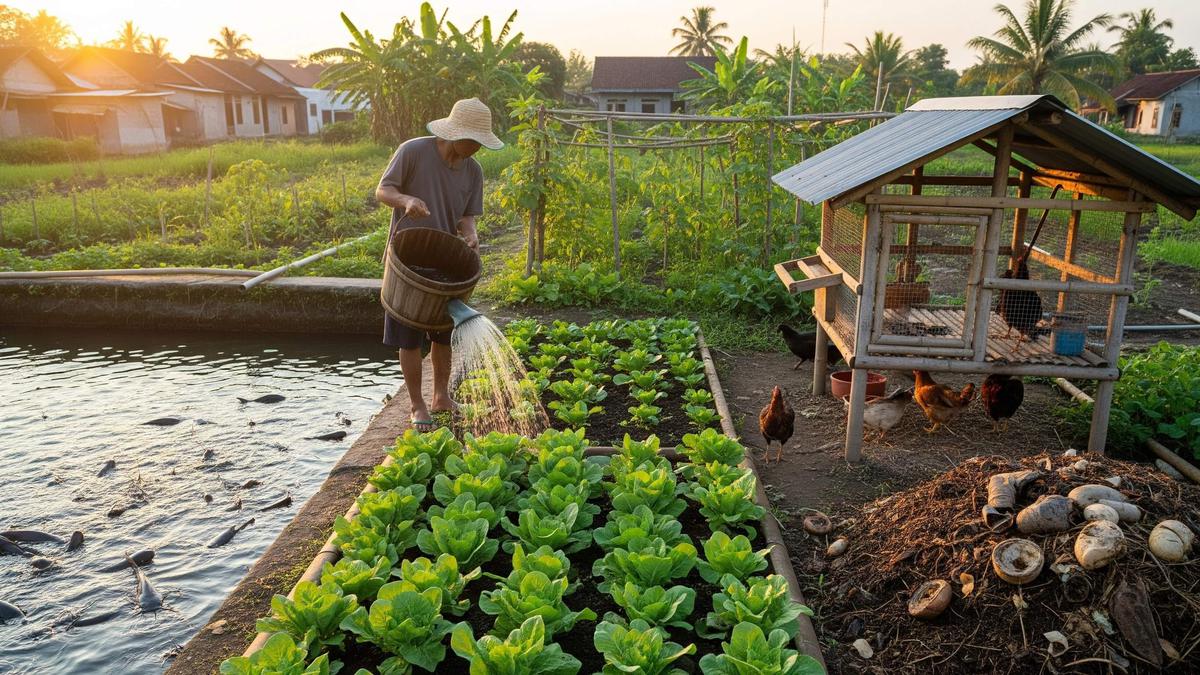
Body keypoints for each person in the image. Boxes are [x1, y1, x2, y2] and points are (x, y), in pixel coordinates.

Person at [375, 98, 504, 431]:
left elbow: (467, 216)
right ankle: (417, 405)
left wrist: (471, 234)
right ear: (455, 132)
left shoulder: (473, 171)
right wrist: (406, 200)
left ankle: (441, 396)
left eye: (480, 143)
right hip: (408, 261)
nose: (477, 148)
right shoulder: (413, 151)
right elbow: (383, 190)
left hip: (443, 263)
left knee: (443, 335)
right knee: (408, 337)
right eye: (473, 141)